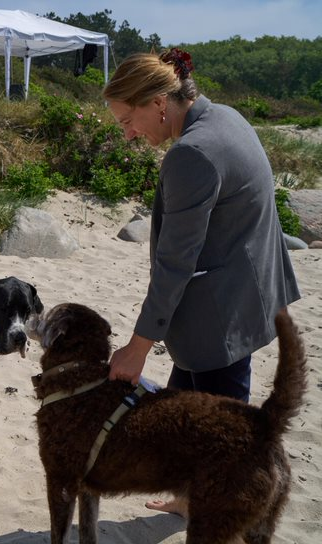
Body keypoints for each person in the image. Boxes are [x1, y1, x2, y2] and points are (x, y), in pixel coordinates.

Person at [103, 49, 300, 516]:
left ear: (158, 103)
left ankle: (212, 507)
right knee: (186, 402)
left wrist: (137, 347)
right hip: (245, 292)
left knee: (219, 433)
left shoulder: (192, 153)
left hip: (219, 312)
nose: (128, 134)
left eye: (129, 120)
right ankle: (191, 497)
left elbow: (175, 262)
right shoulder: (226, 117)